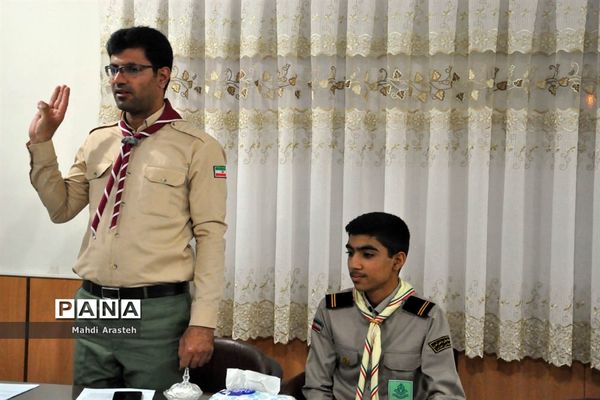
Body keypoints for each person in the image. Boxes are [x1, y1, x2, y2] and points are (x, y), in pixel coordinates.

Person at [27, 26, 227, 391]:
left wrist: (203, 323)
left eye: (132, 69)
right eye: (114, 69)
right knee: (88, 398)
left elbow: (211, 237)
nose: (119, 79)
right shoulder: (99, 141)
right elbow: (61, 209)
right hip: (94, 305)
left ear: (162, 76)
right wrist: (42, 143)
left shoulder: (197, 147)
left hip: (157, 312)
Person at [304, 212, 465, 400]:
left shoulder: (427, 318)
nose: (354, 264)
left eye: (367, 255)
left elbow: (446, 394)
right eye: (350, 253)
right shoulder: (332, 310)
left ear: (397, 261)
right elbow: (317, 386)